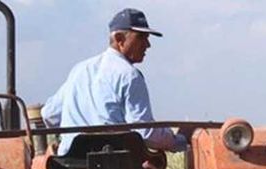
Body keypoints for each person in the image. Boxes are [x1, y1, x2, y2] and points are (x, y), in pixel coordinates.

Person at [41, 8, 189, 156]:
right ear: (120, 39)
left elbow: (49, 114)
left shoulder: (79, 70)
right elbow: (145, 131)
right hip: (115, 167)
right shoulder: (129, 76)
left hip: (69, 167)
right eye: (141, 37)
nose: (148, 45)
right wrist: (179, 140)